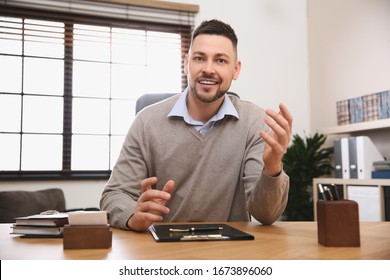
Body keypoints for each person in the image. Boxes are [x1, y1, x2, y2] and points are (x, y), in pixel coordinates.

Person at [100, 19, 293, 232]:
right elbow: (114, 195)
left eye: (220, 61)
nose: (208, 69)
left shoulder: (256, 122)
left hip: (231, 252)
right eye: (200, 58)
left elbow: (265, 215)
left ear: (236, 70)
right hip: (164, 250)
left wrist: (273, 167)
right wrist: (133, 215)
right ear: (186, 64)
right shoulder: (147, 122)